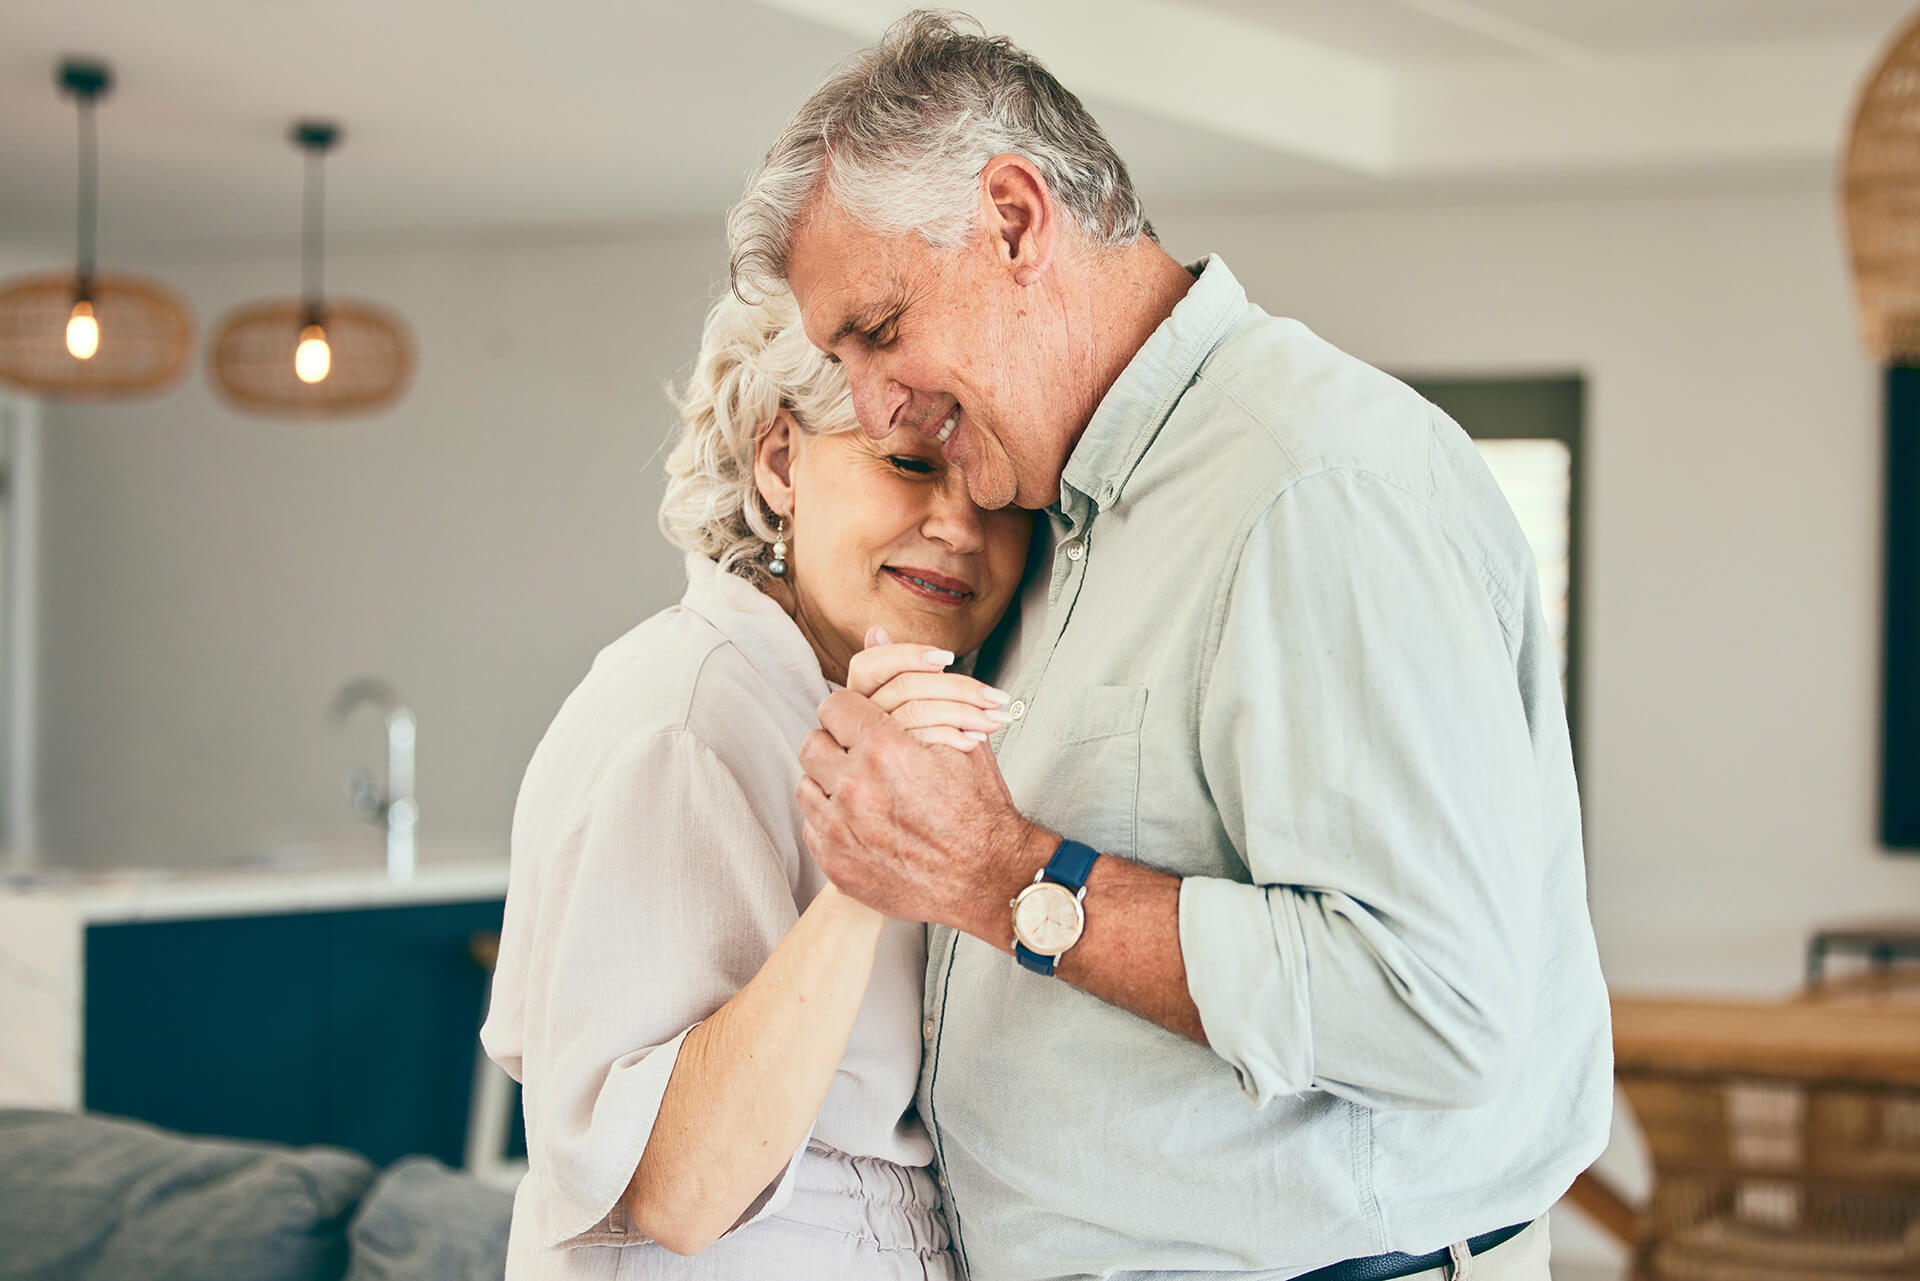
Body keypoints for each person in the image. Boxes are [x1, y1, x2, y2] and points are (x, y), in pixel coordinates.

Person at [728, 12, 1613, 1281]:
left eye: (877, 331)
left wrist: (1001, 875)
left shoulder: (1310, 483)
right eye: (838, 362)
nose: (873, 409)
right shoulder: (1055, 518)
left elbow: (1437, 1006)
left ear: (1018, 221)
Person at [480, 285, 1033, 1280]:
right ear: (782, 462)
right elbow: (682, 1194)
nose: (960, 525)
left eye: (998, 492)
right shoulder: (680, 721)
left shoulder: (840, 705)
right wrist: (872, 872)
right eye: (909, 462)